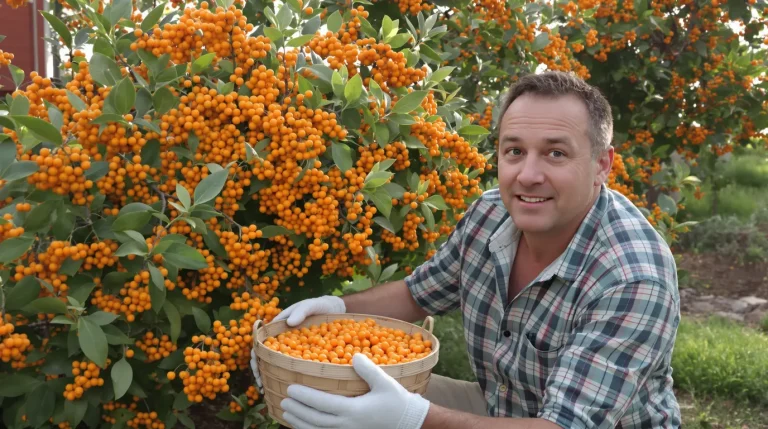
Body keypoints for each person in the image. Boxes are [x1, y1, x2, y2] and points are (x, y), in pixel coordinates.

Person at [249, 71, 682, 429]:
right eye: (515, 151)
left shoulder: (633, 277)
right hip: (502, 408)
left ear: (602, 165)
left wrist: (412, 418)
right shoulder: (491, 214)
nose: (528, 175)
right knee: (327, 395)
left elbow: (563, 426)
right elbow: (417, 294)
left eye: (555, 153)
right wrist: (334, 311)